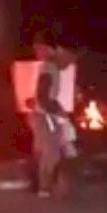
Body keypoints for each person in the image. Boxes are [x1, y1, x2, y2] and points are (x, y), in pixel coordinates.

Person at [28, 31, 77, 197]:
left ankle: (40, 186)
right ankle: (44, 187)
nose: (70, 63)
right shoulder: (50, 67)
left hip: (41, 114)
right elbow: (44, 96)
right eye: (69, 58)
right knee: (52, 152)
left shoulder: (50, 67)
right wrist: (59, 112)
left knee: (43, 150)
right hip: (45, 116)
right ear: (57, 50)